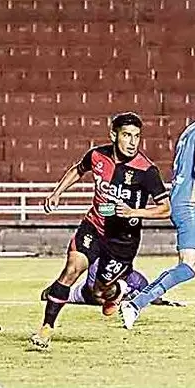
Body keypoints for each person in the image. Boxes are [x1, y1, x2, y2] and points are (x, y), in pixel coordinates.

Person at [30, 112, 170, 350]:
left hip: (123, 241)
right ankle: (46, 328)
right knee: (71, 270)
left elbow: (166, 208)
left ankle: (118, 291)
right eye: (127, 135)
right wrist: (57, 193)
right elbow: (78, 169)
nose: (132, 142)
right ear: (114, 135)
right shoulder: (96, 155)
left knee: (99, 292)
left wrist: (134, 212)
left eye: (137, 136)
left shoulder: (147, 171)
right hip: (94, 227)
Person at [119, 94, 195, 330]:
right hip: (192, 205)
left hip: (192, 203)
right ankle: (135, 303)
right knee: (188, 267)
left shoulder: (191, 129)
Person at [41, 259, 184, 310]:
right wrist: (112, 302)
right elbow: (94, 293)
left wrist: (164, 302)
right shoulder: (98, 266)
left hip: (116, 297)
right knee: (51, 294)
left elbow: (150, 295)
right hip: (84, 295)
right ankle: (50, 291)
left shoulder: (138, 280)